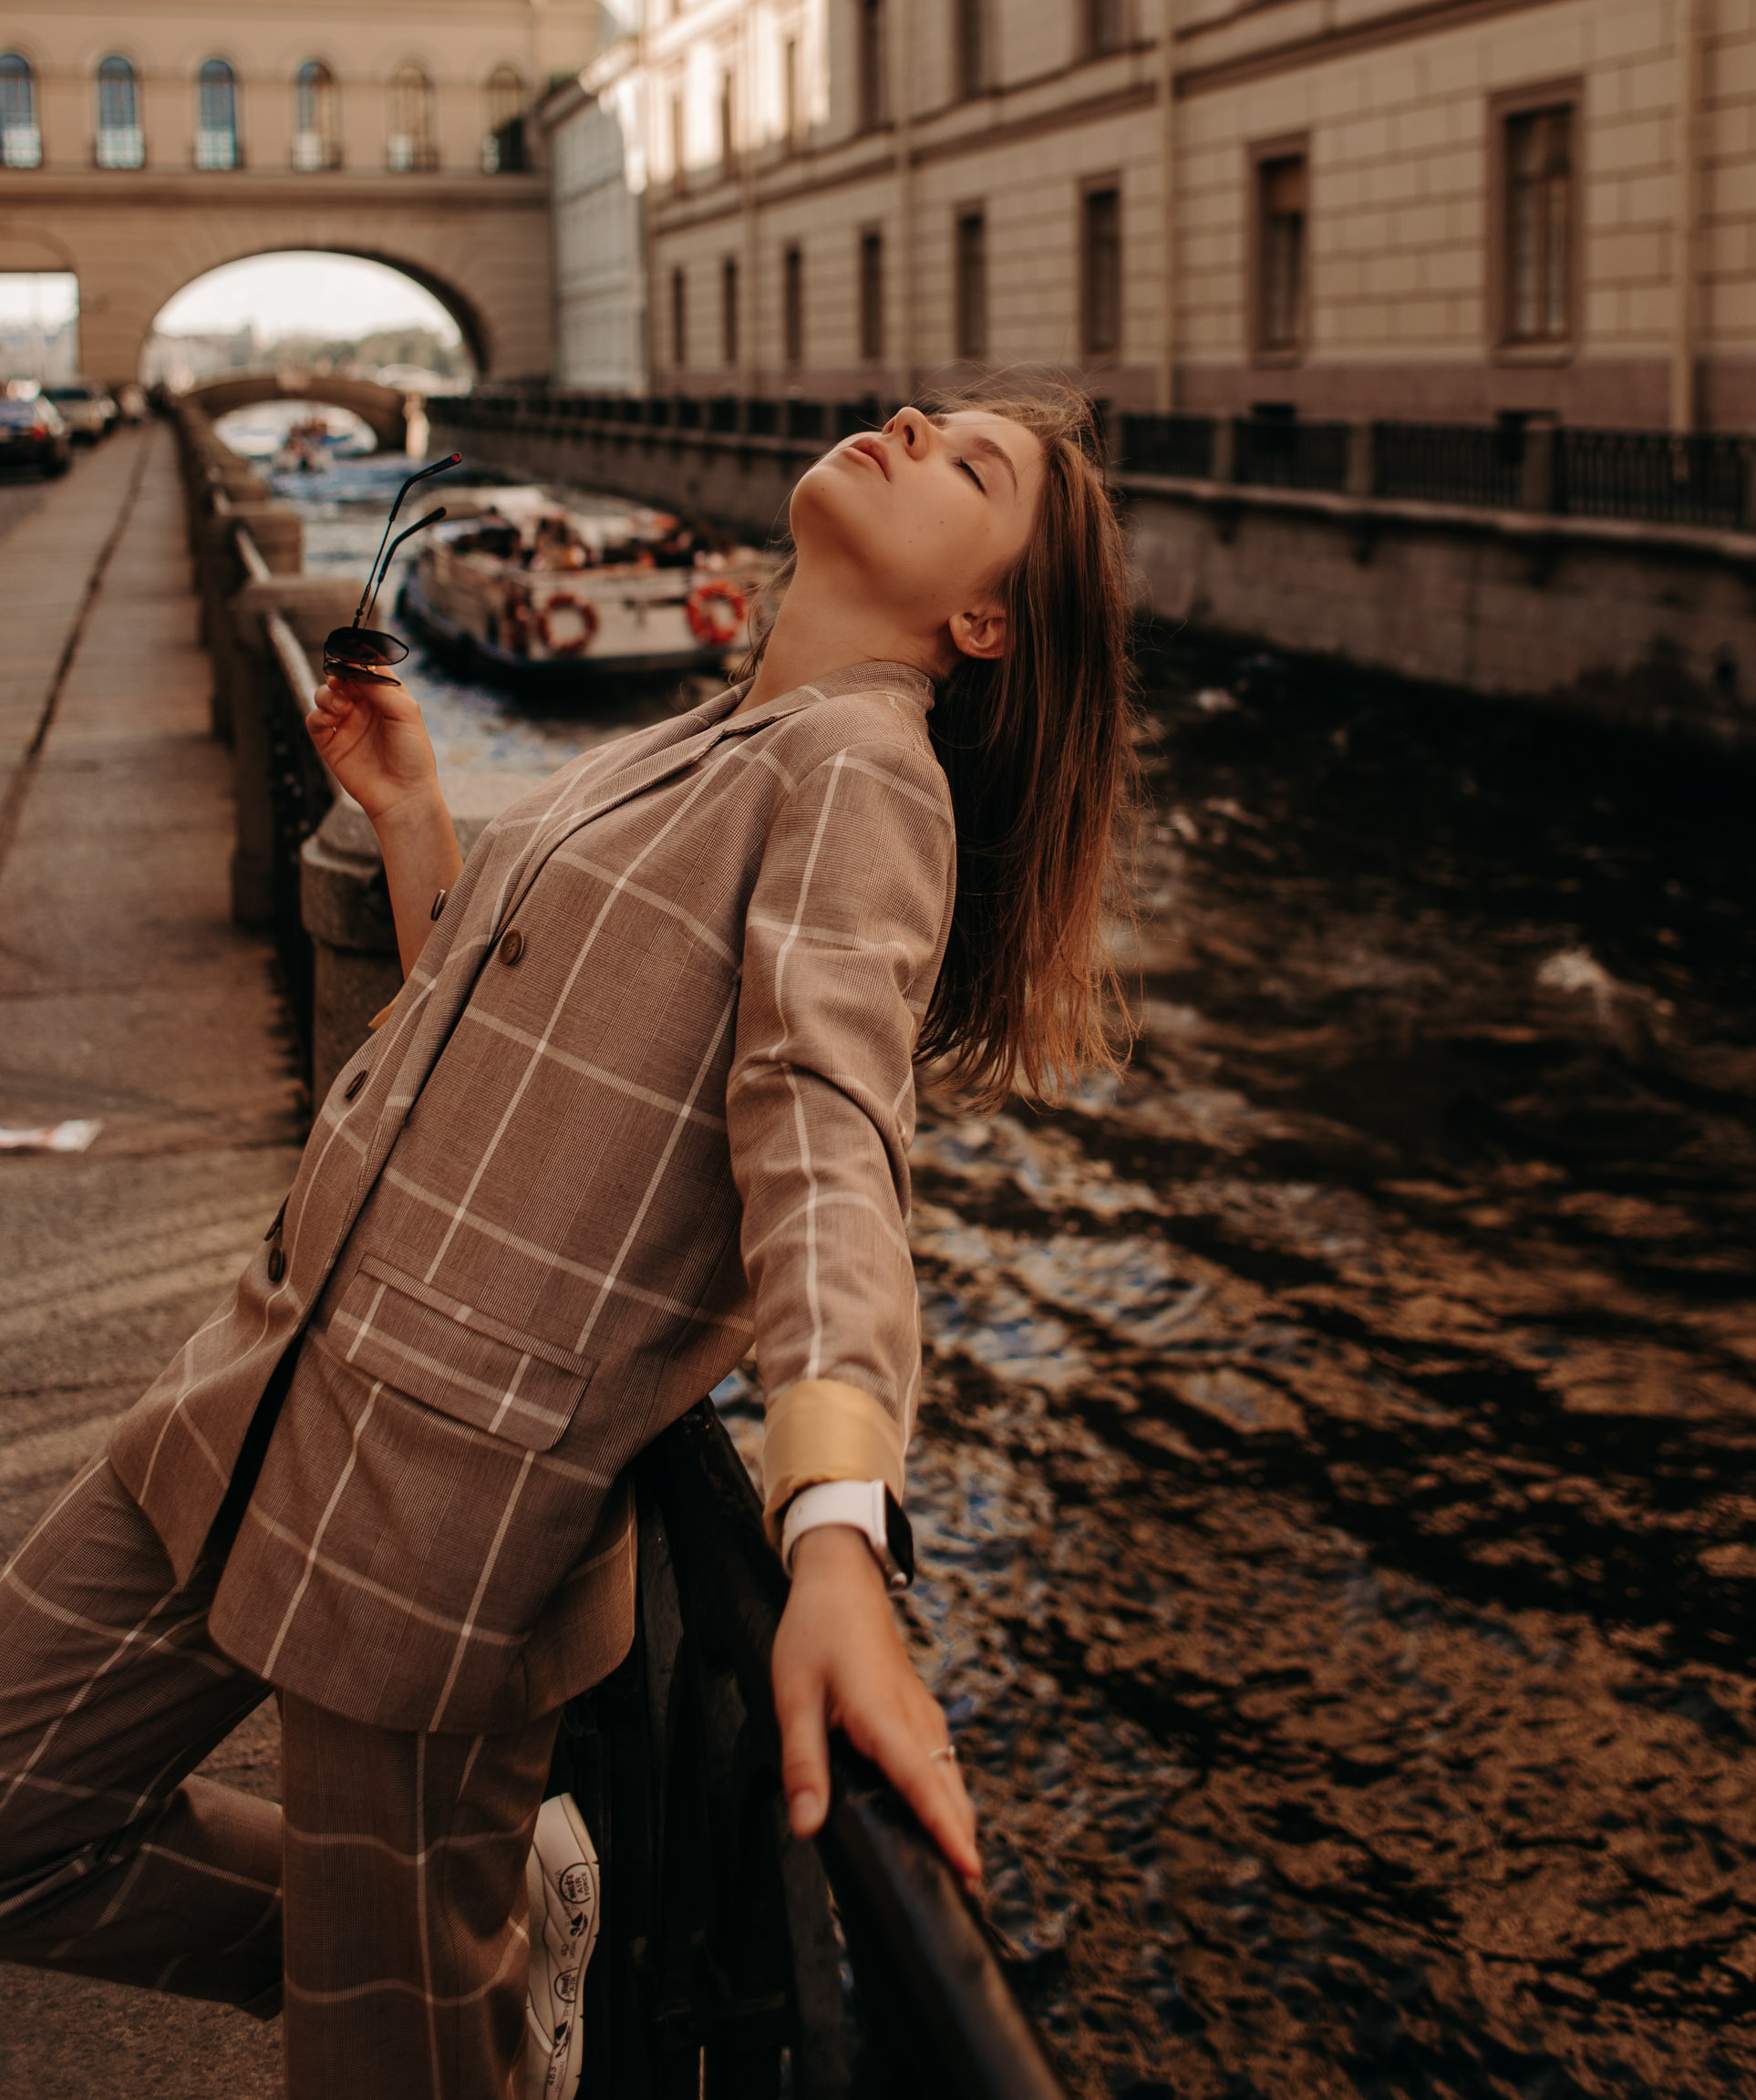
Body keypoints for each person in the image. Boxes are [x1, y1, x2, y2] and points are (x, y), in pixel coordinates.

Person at [0, 382, 1136, 2095]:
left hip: (442, 1525)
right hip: (253, 1390)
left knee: (393, 2075)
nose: (913, 420)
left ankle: (450, 1974)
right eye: (934, 415)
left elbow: (826, 1131)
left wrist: (835, 1520)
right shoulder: (713, 733)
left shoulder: (861, 773)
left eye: (971, 462)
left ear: (982, 621)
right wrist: (410, 817)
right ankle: (478, 1949)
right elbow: (529, 1021)